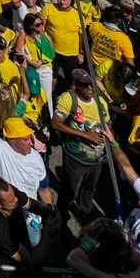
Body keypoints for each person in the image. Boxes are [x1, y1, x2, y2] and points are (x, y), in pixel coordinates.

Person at [53, 69, 112, 223]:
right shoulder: (68, 99)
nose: (91, 88)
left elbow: (107, 124)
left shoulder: (101, 102)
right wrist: (85, 135)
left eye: (92, 84)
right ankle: (61, 218)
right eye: (86, 85)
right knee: (69, 191)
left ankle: (85, 213)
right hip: (75, 158)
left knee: (90, 189)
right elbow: (56, 123)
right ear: (76, 85)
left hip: (97, 159)